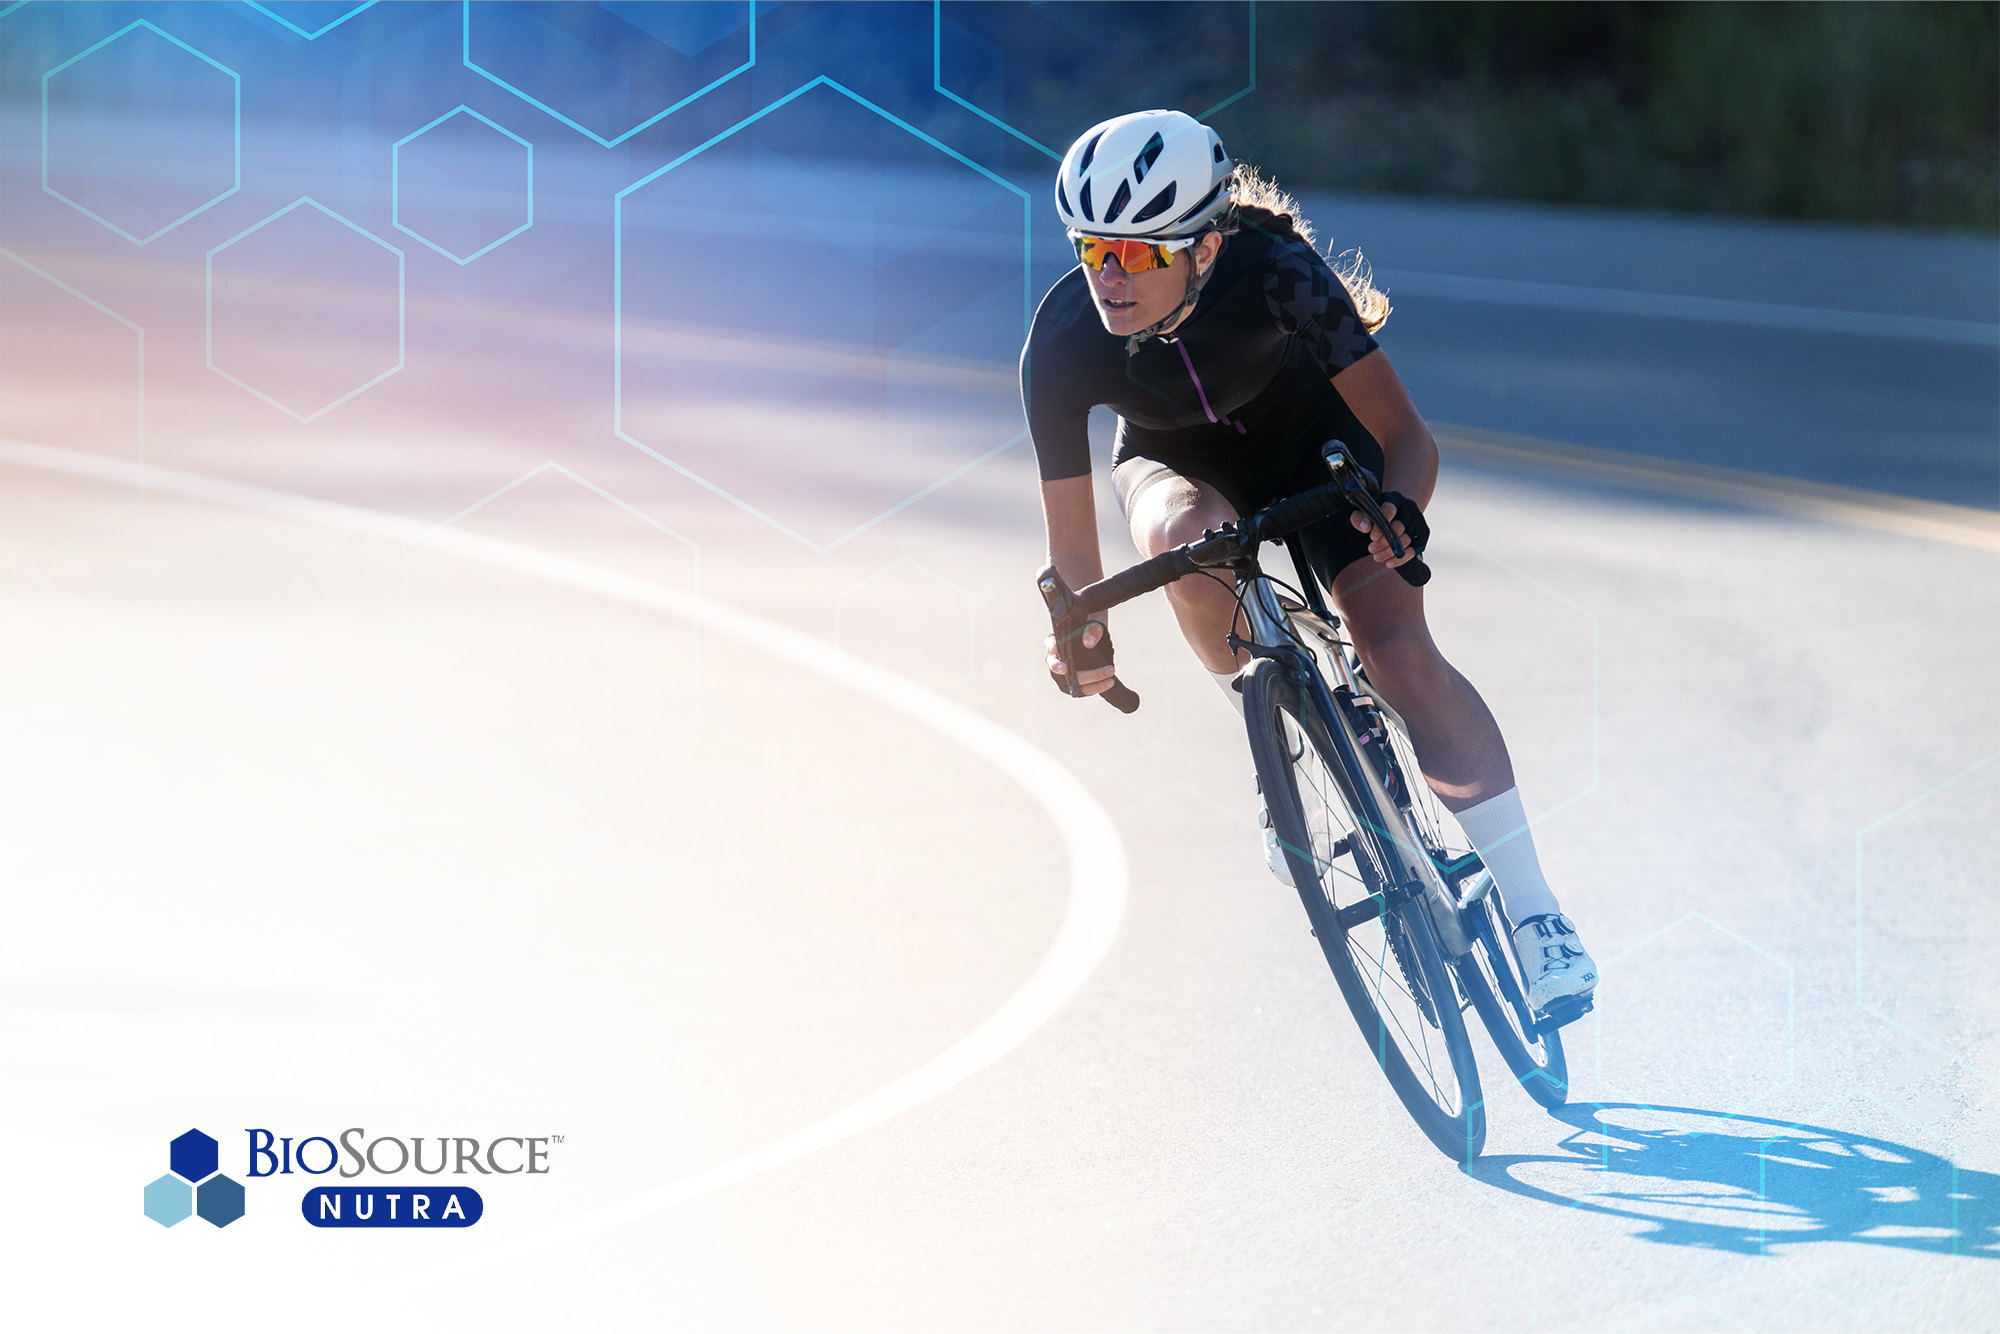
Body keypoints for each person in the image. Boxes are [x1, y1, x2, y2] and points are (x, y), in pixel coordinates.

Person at [1022, 109, 1597, 1012]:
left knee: (1394, 648)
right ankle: (1275, 738)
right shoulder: (1060, 343)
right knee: (1187, 544)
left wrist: (1401, 514)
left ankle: (1535, 914)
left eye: (1137, 255)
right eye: (1094, 250)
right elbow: (1074, 569)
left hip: (1317, 439)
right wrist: (1079, 631)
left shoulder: (1280, 274)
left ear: (1204, 249)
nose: (1109, 277)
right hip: (1178, 466)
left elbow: (1408, 439)